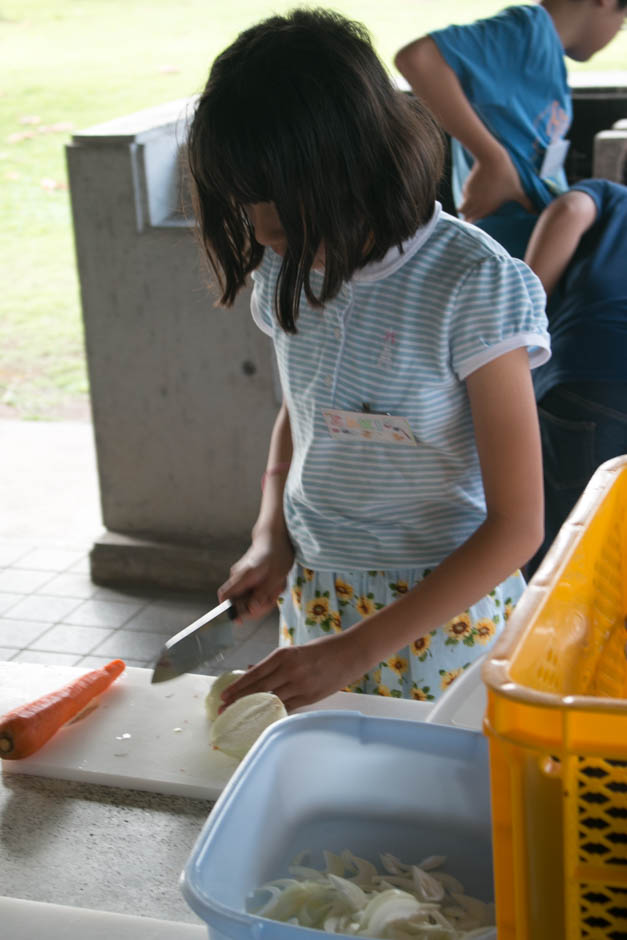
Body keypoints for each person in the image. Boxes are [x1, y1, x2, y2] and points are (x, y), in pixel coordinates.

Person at [186, 8, 549, 712]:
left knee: (430, 800)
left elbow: (518, 525)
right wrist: (272, 537)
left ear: (353, 174)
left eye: (290, 227)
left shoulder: (469, 286)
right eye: (260, 228)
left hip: (442, 615)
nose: (271, 246)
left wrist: (356, 649)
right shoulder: (287, 266)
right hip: (320, 599)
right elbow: (305, 408)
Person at [395, 0, 627, 259]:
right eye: (623, 23)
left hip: (535, 231)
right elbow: (418, 58)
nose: (618, 32)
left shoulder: (548, 47)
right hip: (507, 234)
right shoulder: (525, 31)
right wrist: (493, 159)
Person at [522, 178, 627, 576]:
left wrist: (525, 304)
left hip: (591, 378)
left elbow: (569, 210)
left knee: (569, 548)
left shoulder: (611, 196)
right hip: (596, 382)